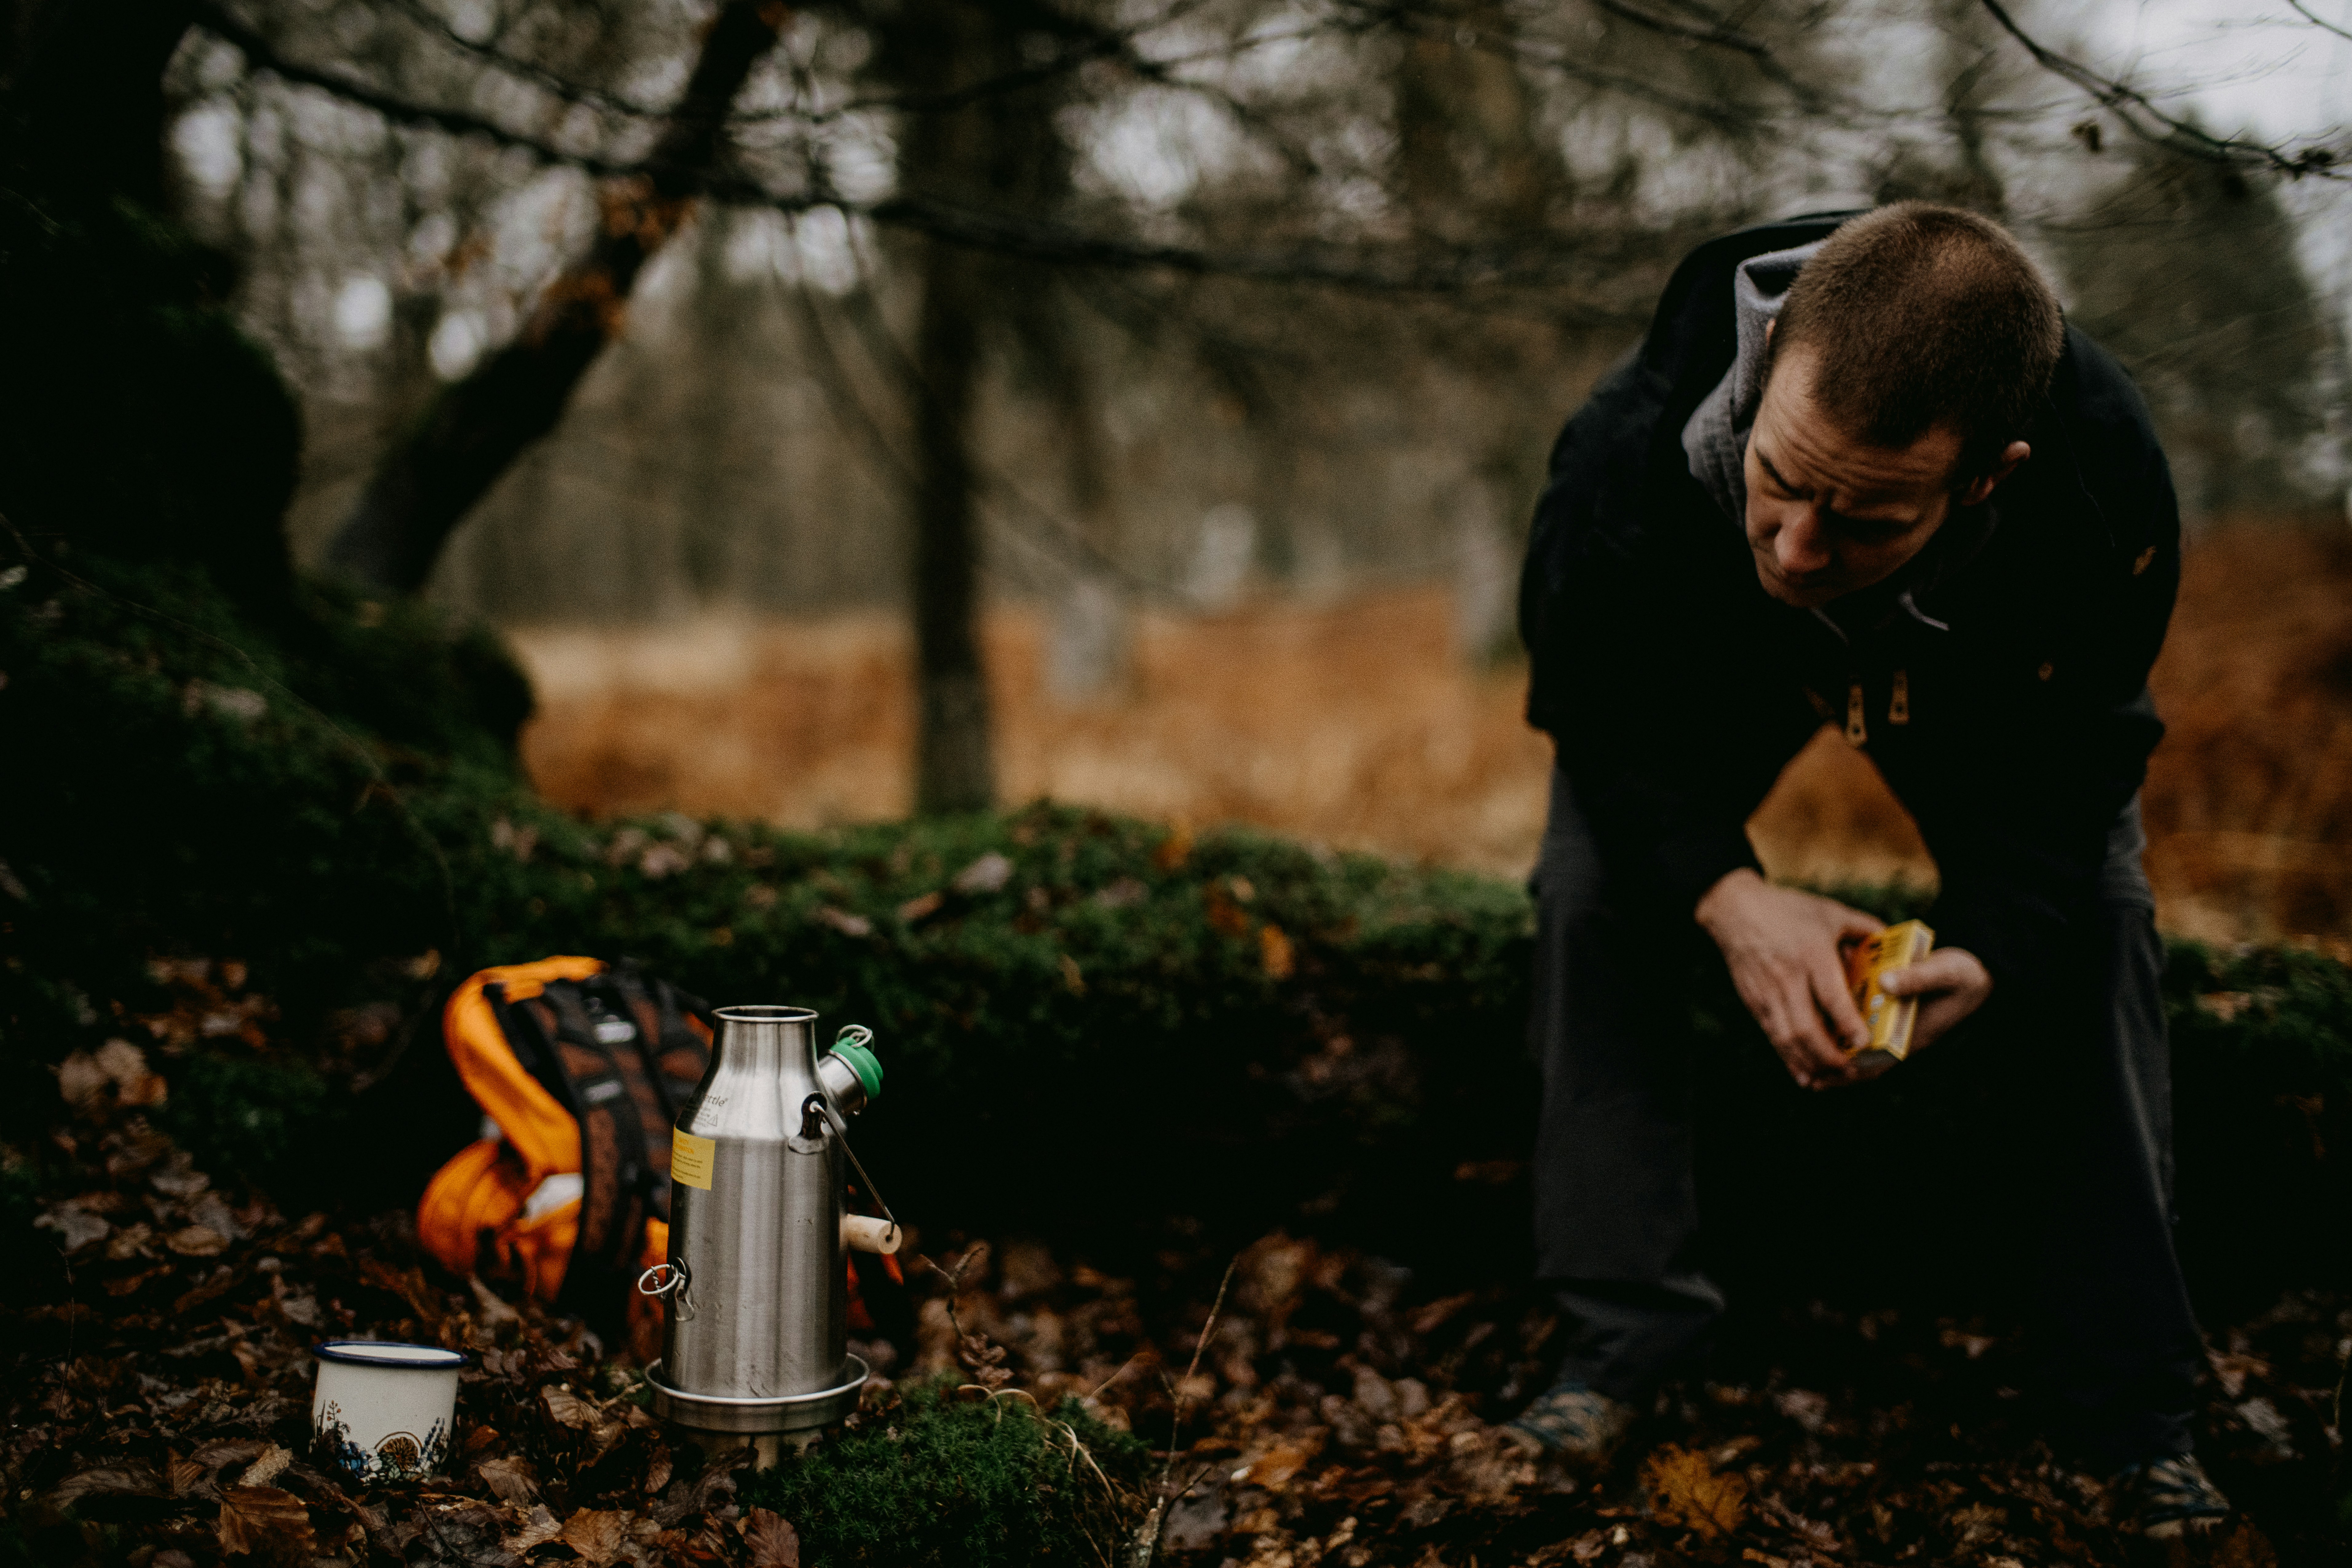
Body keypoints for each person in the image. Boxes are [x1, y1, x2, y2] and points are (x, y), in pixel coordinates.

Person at [1505, 202, 2227, 1539]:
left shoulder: (2094, 485)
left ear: (1987, 476)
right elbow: (1589, 701)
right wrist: (1727, 895)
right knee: (1591, 888)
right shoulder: (1632, 440)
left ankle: (2133, 1408)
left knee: (2098, 924)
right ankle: (1620, 1340)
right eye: (1778, 477)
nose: (1795, 547)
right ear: (1767, 356)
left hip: (1967, 659)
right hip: (1698, 659)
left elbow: (2078, 769)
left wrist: (1997, 940)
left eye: (1863, 515)